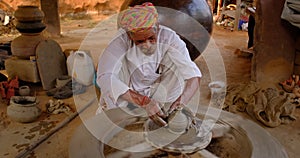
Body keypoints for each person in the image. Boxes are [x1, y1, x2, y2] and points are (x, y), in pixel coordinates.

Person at [96, 2, 202, 126]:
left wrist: (182, 102)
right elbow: (104, 77)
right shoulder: (120, 40)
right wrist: (144, 102)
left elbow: (193, 75)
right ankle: (120, 116)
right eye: (140, 41)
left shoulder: (169, 37)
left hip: (157, 89)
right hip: (128, 87)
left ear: (157, 26)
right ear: (130, 36)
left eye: (151, 38)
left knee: (178, 63)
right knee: (112, 78)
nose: (147, 45)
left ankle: (168, 108)